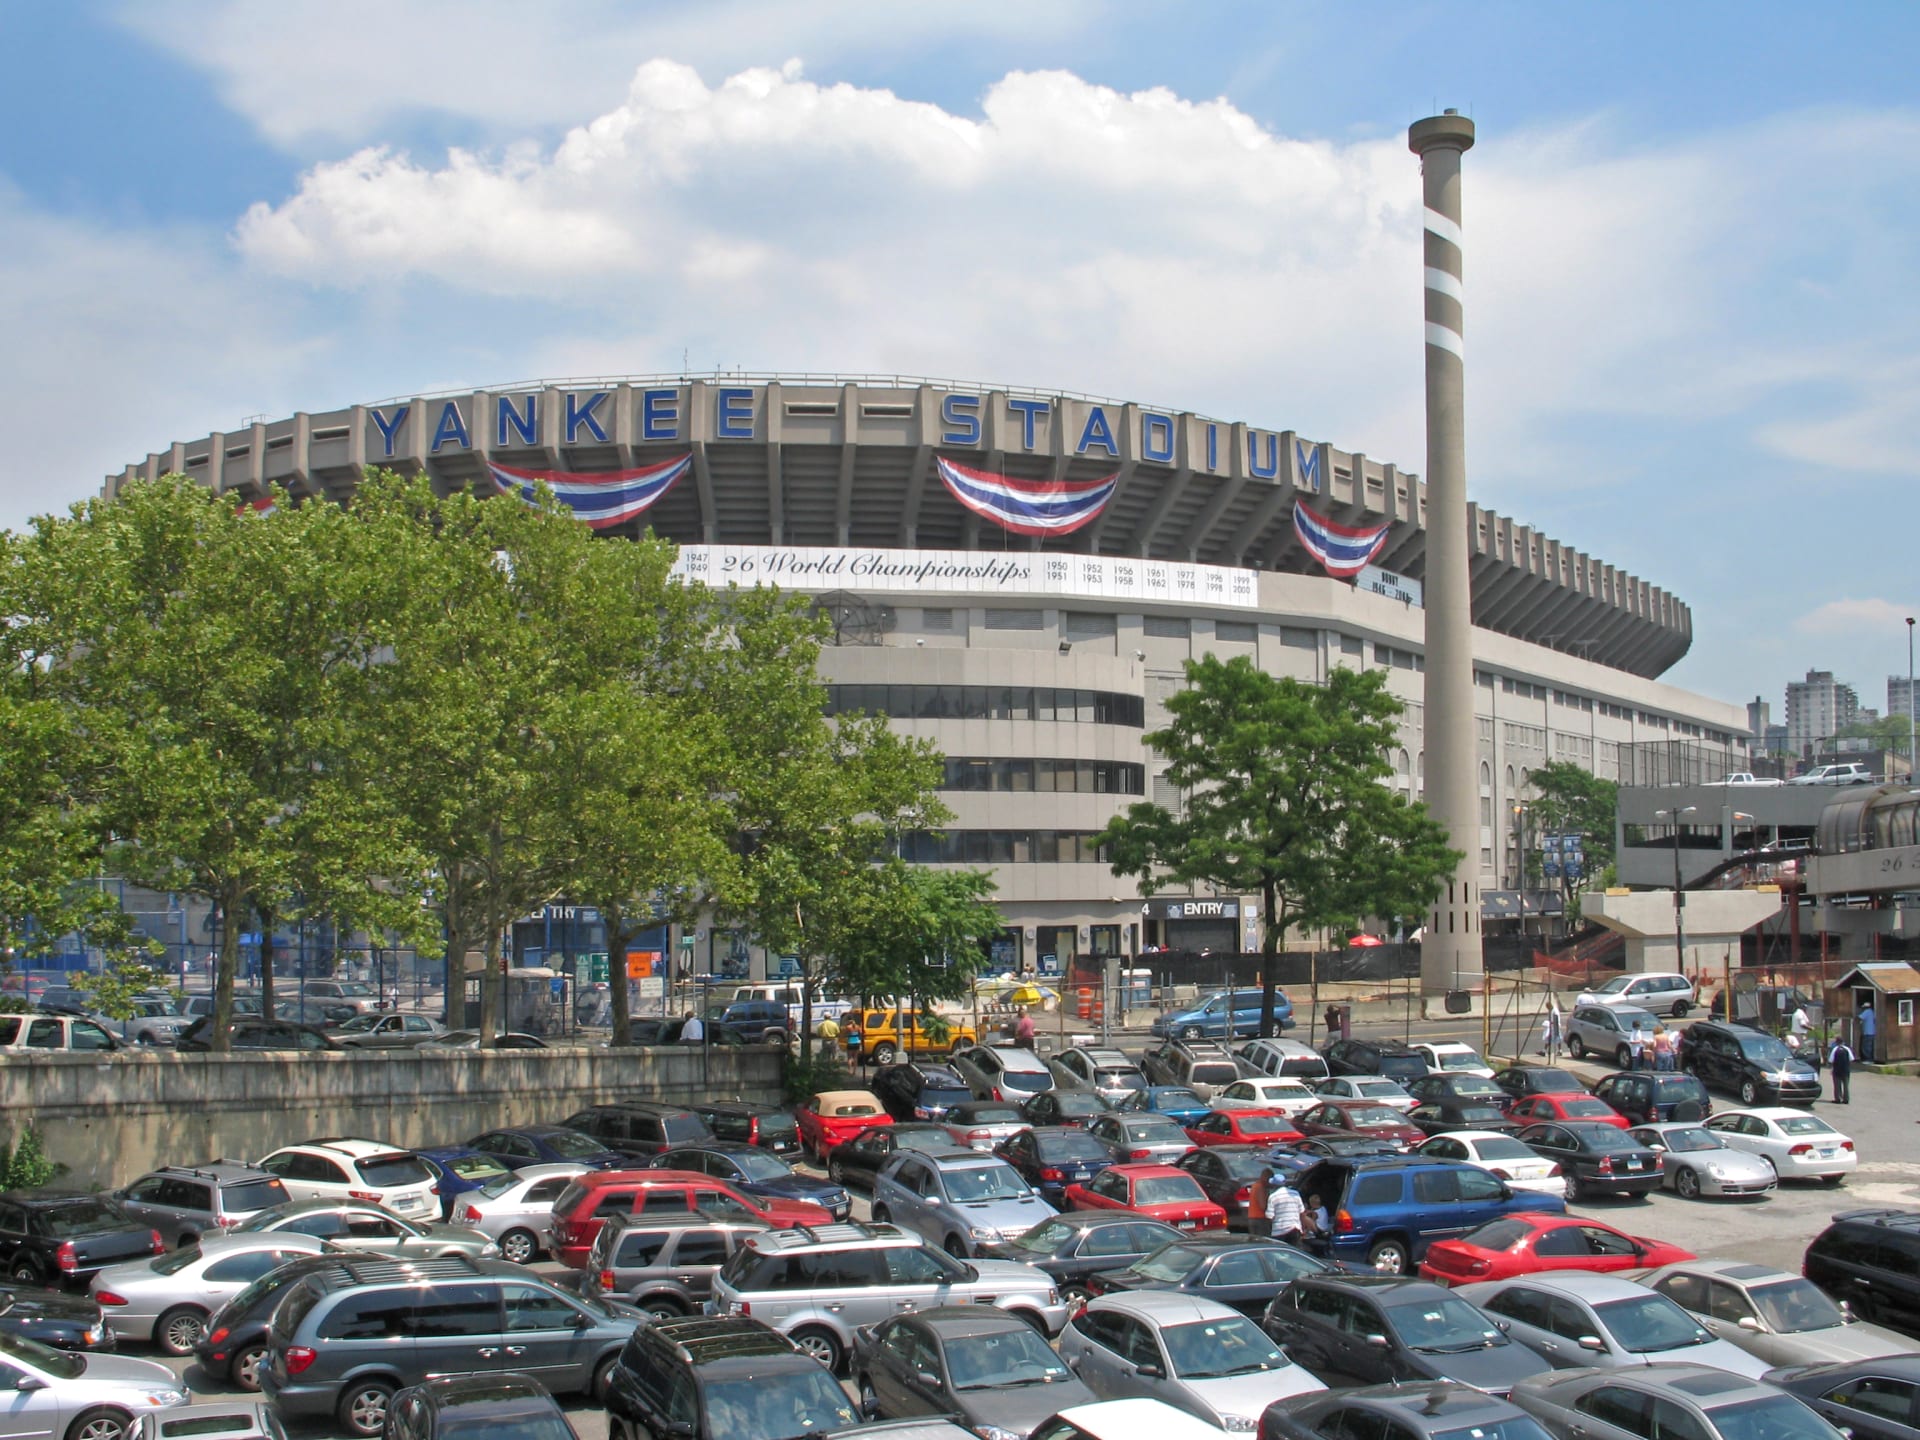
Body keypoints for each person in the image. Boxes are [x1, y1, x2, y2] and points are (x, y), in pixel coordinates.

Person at [1265, 1179, 1304, 1245]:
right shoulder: (1295, 1193)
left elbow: (1270, 1216)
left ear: (1274, 1185)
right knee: (1294, 1250)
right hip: (1294, 1228)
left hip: (1279, 1231)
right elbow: (1302, 1212)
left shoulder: (1273, 1196)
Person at [1829, 1035, 1854, 1104]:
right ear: (1843, 1042)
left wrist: (1832, 1068)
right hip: (1845, 1070)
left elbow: (1831, 1060)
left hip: (1837, 1070)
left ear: (1836, 1042)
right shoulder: (1847, 1049)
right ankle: (1846, 1099)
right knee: (1846, 1085)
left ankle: (1838, 1099)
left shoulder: (1835, 1049)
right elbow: (1851, 1059)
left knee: (1837, 1085)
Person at [1248, 1168, 1273, 1238]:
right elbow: (1263, 1206)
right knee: (1263, 1241)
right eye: (1269, 1180)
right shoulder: (1260, 1187)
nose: (1270, 1182)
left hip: (1252, 1218)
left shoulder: (1255, 1185)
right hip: (1260, 1219)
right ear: (1265, 1177)